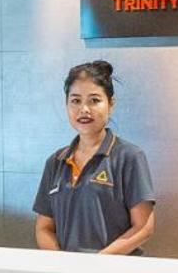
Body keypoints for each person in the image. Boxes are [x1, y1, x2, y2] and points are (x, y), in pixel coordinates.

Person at [34, 60, 156, 254]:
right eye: (76, 101)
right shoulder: (55, 162)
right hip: (67, 270)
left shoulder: (129, 157)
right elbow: (44, 227)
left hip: (114, 269)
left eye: (94, 100)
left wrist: (97, 264)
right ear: (66, 104)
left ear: (111, 104)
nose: (84, 109)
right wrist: (62, 263)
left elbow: (143, 227)